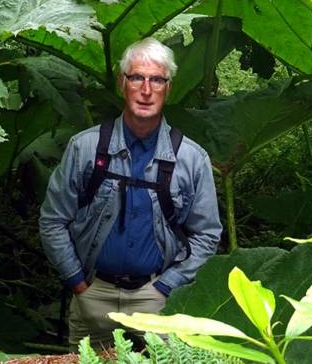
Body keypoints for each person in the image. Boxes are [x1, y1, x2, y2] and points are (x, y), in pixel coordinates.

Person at [39, 37, 222, 348]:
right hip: (94, 292)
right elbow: (52, 220)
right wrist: (77, 283)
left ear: (168, 88)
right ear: (122, 83)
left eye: (157, 80)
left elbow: (207, 234)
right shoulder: (85, 148)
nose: (146, 90)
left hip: (157, 298)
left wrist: (168, 285)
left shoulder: (191, 158)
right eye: (137, 77)